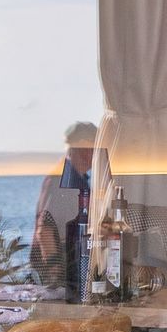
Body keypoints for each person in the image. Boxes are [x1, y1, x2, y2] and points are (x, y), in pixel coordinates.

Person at [31, 120, 101, 294]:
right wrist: (55, 274)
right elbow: (45, 230)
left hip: (71, 265)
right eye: (96, 147)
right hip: (59, 272)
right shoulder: (61, 179)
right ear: (84, 148)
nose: (98, 153)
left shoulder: (77, 178)